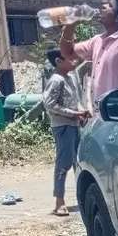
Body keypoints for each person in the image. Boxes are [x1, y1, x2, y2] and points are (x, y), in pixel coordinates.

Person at [59, 0, 118, 115]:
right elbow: (68, 53)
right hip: (101, 119)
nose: (103, 6)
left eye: (110, 6)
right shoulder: (97, 41)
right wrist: (70, 25)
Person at [42, 49, 90, 216]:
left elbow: (76, 101)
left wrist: (82, 111)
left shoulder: (71, 78)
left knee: (78, 161)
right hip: (63, 126)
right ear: (58, 61)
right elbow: (50, 105)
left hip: (75, 124)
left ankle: (81, 197)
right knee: (63, 163)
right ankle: (59, 202)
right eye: (70, 59)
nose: (74, 62)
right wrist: (74, 114)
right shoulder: (56, 80)